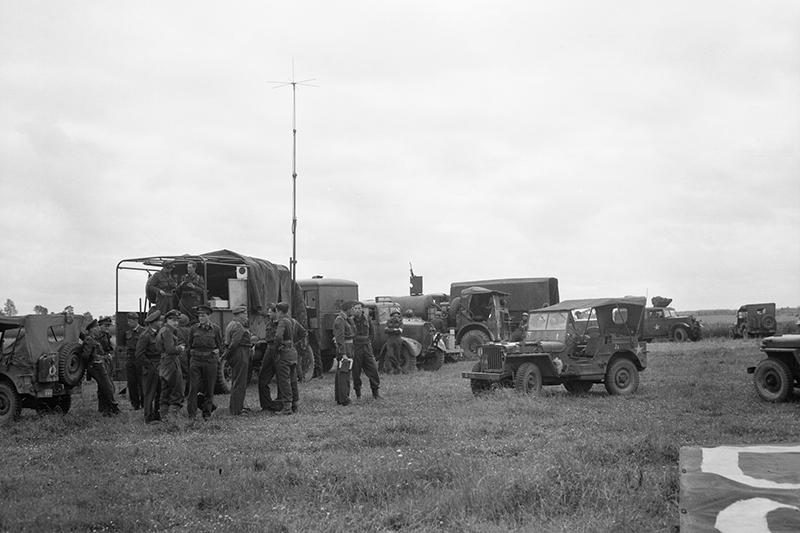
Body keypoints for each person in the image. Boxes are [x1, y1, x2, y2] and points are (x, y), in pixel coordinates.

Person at [186, 304, 222, 420]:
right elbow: (189, 345)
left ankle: (207, 413)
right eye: (199, 316)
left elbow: (220, 346)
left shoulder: (215, 329)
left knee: (209, 388)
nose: (201, 317)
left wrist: (217, 351)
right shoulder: (193, 329)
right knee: (193, 388)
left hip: (210, 361)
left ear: (209, 316)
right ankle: (191, 414)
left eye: (203, 315)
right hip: (196, 361)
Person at [82, 319, 120, 416]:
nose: (98, 329)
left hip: (103, 363)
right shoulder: (90, 339)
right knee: (107, 386)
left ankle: (106, 409)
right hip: (96, 365)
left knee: (106, 386)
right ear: (92, 329)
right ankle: (112, 407)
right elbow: (86, 355)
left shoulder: (98, 337)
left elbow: (108, 349)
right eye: (96, 328)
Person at [156, 309, 186, 420]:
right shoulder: (168, 332)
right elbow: (170, 349)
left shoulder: (162, 330)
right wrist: (180, 348)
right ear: (167, 320)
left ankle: (164, 418)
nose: (175, 322)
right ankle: (173, 420)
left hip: (164, 362)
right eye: (172, 320)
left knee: (165, 391)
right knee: (176, 391)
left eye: (177, 320)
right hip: (171, 362)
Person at [136, 309, 163, 422]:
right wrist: (150, 365)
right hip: (150, 367)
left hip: (160, 366)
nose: (161, 323)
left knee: (160, 392)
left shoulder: (158, 334)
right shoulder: (145, 336)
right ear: (154, 322)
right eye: (159, 321)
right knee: (149, 393)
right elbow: (139, 354)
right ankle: (148, 417)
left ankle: (157, 414)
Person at [224, 306, 252, 415]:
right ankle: (237, 410)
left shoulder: (231, 324)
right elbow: (234, 343)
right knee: (240, 382)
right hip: (240, 353)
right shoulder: (238, 326)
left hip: (237, 354)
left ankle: (237, 407)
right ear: (239, 315)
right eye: (244, 314)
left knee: (236, 381)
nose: (246, 317)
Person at [274, 302, 299, 415]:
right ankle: (295, 404)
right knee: (293, 380)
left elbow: (278, 336)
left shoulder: (282, 321)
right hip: (292, 352)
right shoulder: (291, 320)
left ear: (279, 311)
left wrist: (277, 347)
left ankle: (287, 407)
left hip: (284, 353)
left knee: (284, 381)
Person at [351, 302, 381, 400]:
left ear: (362, 309)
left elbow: (372, 332)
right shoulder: (350, 321)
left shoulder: (367, 319)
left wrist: (368, 342)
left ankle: (375, 393)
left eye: (359, 308)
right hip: (356, 348)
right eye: (355, 308)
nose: (357, 310)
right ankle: (358, 394)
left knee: (373, 370)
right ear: (352, 310)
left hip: (367, 348)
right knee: (356, 373)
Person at [257, 304, 282, 412]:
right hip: (269, 349)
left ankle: (282, 403)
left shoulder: (283, 324)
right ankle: (266, 405)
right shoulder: (269, 323)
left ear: (276, 312)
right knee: (262, 377)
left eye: (270, 312)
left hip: (280, 350)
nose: (268, 314)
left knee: (281, 378)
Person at [332, 301, 356, 405]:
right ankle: (344, 398)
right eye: (353, 308)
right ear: (348, 309)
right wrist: (343, 353)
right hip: (345, 349)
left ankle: (340, 397)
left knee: (343, 373)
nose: (354, 310)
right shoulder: (340, 320)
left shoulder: (346, 319)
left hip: (348, 347)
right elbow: (340, 337)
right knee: (344, 375)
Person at [124, 312, 144, 410]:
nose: (129, 322)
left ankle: (144, 403)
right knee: (131, 383)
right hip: (130, 360)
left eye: (131, 320)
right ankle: (135, 404)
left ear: (136, 320)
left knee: (142, 382)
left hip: (140, 360)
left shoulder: (143, 331)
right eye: (128, 320)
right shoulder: (128, 333)